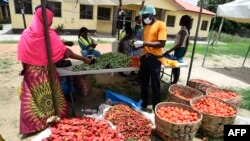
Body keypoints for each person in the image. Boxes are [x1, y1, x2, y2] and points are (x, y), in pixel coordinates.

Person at [17, 5, 93, 135]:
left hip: (32, 73)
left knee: (34, 100)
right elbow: (66, 52)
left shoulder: (26, 34)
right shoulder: (49, 35)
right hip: (47, 72)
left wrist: (26, 71)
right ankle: (53, 121)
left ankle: (36, 126)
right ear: (46, 18)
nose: (52, 21)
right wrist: (84, 59)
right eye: (51, 18)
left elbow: (24, 57)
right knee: (51, 96)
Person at [133, 5, 167, 110]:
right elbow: (147, 44)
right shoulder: (146, 27)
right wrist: (137, 44)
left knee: (155, 83)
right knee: (144, 82)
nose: (143, 18)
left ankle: (156, 106)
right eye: (142, 16)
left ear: (152, 15)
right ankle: (143, 103)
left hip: (155, 58)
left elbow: (162, 43)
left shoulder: (161, 24)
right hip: (145, 58)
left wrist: (143, 43)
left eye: (145, 16)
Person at [163, 15, 192, 84]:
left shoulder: (184, 31)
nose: (179, 21)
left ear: (183, 21)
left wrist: (169, 51)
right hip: (179, 49)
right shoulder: (184, 30)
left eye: (181, 19)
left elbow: (180, 44)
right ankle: (174, 81)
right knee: (175, 66)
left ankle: (174, 82)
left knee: (176, 66)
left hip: (179, 50)